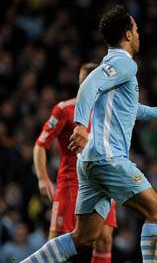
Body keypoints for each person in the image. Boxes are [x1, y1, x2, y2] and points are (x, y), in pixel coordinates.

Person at [22, 5, 157, 263]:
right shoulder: (124, 64)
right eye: (136, 29)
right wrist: (80, 124)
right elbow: (89, 84)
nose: (139, 34)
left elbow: (126, 107)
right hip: (108, 158)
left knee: (83, 237)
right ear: (127, 35)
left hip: (90, 162)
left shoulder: (112, 64)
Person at [33, 62, 117, 263]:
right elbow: (40, 145)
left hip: (101, 183)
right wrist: (43, 178)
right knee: (59, 240)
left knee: (104, 239)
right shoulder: (64, 110)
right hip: (72, 183)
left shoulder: (107, 113)